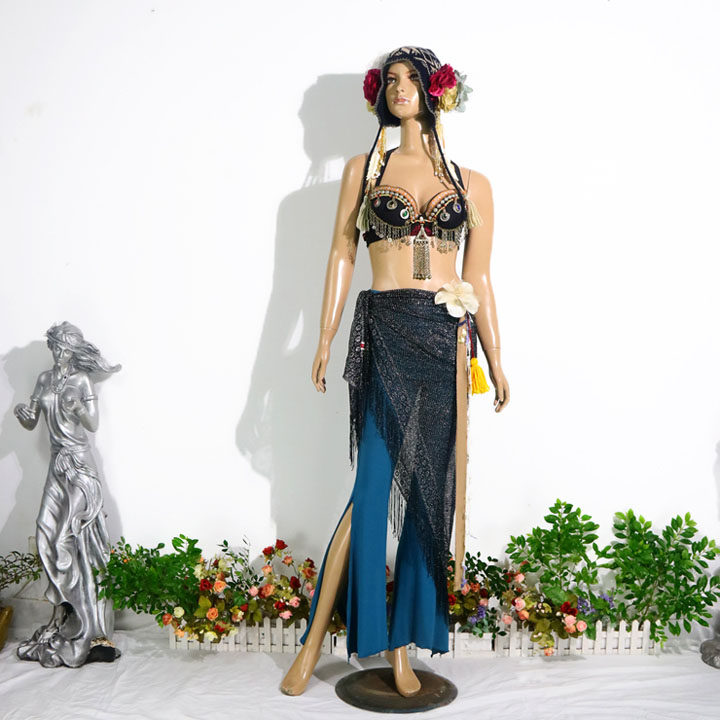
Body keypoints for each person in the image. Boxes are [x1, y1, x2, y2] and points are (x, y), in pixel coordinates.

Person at [280, 46, 509, 697]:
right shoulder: (365, 169)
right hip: (384, 331)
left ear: (438, 90)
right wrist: (325, 335)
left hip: (446, 337)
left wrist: (496, 357)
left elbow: (480, 275)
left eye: (412, 78)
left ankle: (402, 649)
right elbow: (340, 252)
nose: (400, 88)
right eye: (391, 80)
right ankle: (312, 645)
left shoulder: (473, 183)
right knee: (371, 491)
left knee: (426, 499)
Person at [14, 322, 121, 667]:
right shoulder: (45, 379)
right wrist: (23, 414)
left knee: (66, 538)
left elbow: (92, 424)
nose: (59, 353)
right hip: (56, 466)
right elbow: (32, 420)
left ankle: (88, 625)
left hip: (79, 466)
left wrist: (77, 407)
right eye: (56, 347)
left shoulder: (82, 380)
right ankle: (63, 614)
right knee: (45, 533)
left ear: (74, 350)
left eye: (65, 348)